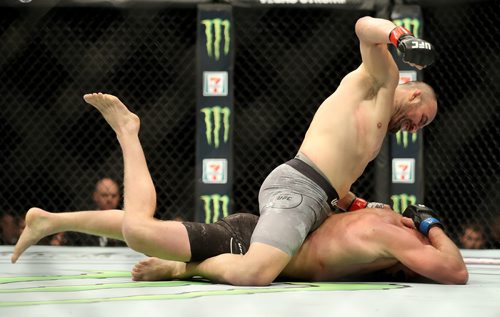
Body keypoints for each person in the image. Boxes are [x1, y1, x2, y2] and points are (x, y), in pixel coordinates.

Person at [12, 16, 438, 286]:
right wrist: (400, 36)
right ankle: (130, 136)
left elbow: (339, 177)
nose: (417, 129)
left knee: (152, 232)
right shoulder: (379, 79)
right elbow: (364, 25)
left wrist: (356, 203)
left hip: (313, 198)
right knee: (255, 271)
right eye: (424, 118)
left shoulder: (377, 120)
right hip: (301, 191)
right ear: (414, 93)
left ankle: (50, 220)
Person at [61, 177, 126, 247]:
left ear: (119, 197)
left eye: (114, 196)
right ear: (95, 196)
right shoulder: (83, 221)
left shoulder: (126, 221)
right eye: (104, 195)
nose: (109, 199)